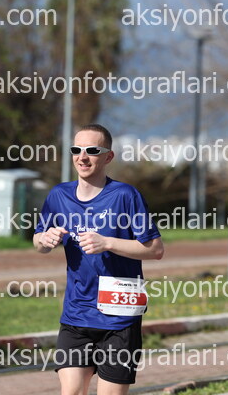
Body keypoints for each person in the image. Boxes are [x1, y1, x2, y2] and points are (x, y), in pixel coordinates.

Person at [34, 124, 164, 395]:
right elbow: (38, 241)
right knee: (71, 392)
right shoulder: (59, 195)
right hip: (76, 313)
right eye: (76, 150)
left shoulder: (126, 196)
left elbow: (155, 249)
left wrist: (107, 243)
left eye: (92, 150)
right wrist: (45, 240)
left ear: (108, 156)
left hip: (119, 317)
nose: (83, 157)